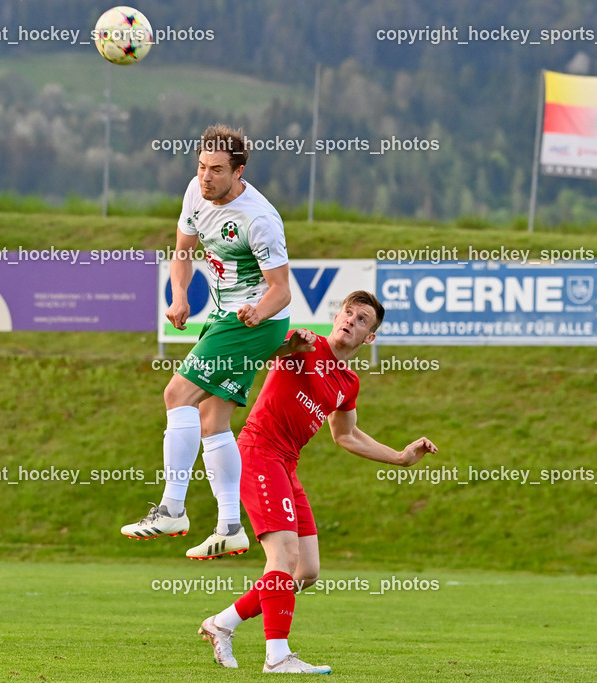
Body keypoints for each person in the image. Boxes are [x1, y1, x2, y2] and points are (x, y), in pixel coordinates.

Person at [197, 290, 438, 674]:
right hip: (259, 451)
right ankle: (277, 656)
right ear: (337, 315)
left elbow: (346, 435)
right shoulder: (305, 343)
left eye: (362, 320)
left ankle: (222, 623)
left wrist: (399, 457)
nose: (351, 321)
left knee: (305, 571)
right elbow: (267, 351)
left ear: (369, 337)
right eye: (348, 312)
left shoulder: (348, 382)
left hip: (287, 464)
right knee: (283, 557)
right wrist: (288, 344)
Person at [121, 124, 291, 559]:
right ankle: (230, 525)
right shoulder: (195, 193)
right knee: (212, 419)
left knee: (177, 392)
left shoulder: (260, 219)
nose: (205, 177)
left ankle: (172, 508)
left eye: (216, 170)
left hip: (252, 321)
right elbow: (182, 252)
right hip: (221, 315)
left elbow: (281, 290)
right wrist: (180, 297)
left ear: (238, 171)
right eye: (201, 166)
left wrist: (259, 310)